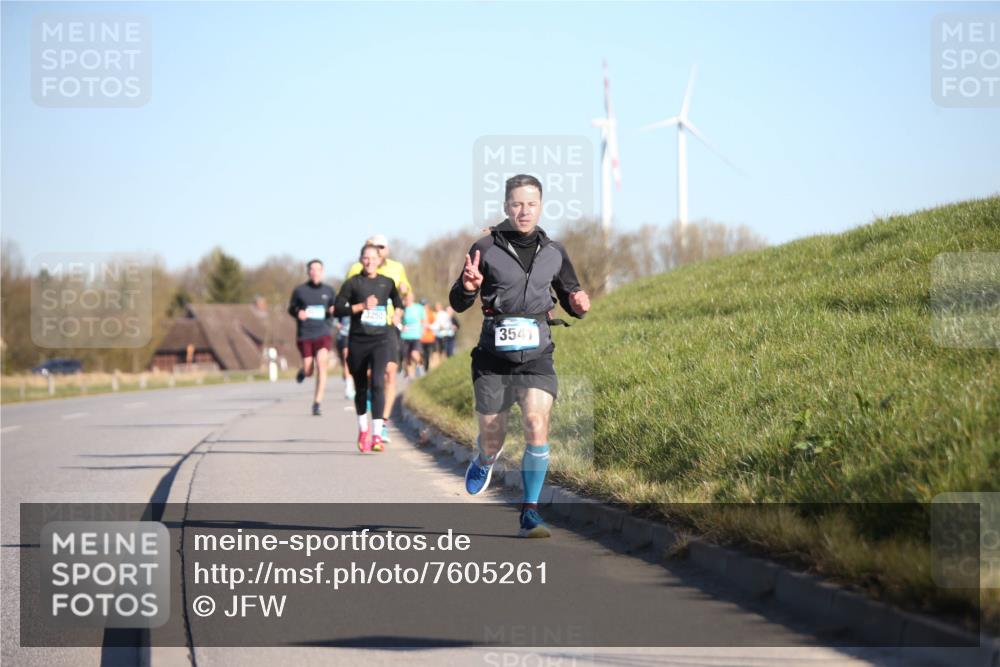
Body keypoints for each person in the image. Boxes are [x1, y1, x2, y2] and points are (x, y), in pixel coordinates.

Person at [449, 174, 590, 538]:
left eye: (530, 204)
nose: (523, 210)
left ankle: (530, 511)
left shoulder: (555, 251)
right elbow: (458, 301)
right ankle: (485, 457)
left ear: (541, 206)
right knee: (493, 436)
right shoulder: (484, 247)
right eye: (516, 204)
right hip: (493, 357)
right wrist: (467, 288)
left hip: (537, 353)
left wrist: (578, 304)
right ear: (506, 207)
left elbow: (571, 293)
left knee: (536, 424)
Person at [335, 243, 403, 453]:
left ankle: (376, 435)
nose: (370, 261)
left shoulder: (387, 282)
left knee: (378, 383)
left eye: (373, 258)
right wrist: (361, 306)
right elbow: (338, 308)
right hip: (358, 340)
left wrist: (397, 315)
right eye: (366, 258)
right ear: (360, 259)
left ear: (379, 260)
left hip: (381, 339)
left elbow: (398, 303)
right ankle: (363, 429)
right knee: (361, 387)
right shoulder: (352, 283)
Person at [287, 259, 337, 416]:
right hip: (305, 334)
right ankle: (304, 371)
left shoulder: (329, 290)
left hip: (323, 333)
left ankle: (317, 403)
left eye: (318, 269)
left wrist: (333, 310)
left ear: (323, 272)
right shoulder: (300, 291)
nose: (315, 272)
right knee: (309, 370)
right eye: (312, 269)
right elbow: (291, 308)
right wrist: (297, 313)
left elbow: (334, 308)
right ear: (308, 272)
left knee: (322, 363)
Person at [399, 293, 426, 379]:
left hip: (416, 335)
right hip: (405, 336)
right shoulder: (402, 309)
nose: (408, 300)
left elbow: (424, 320)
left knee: (414, 354)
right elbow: (397, 319)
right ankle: (409, 376)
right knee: (406, 357)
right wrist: (401, 326)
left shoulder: (418, 307)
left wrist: (423, 330)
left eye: (410, 298)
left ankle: (420, 365)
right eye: (407, 298)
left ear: (413, 298)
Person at [334, 315, 354, 400]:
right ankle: (349, 387)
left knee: (353, 363)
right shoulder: (340, 302)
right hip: (344, 336)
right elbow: (334, 319)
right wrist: (338, 325)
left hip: (359, 336)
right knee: (346, 360)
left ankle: (350, 382)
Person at [419, 299, 437, 373]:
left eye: (425, 305)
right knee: (421, 353)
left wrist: (429, 326)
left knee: (427, 354)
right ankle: (421, 367)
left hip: (429, 338)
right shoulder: (418, 313)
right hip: (420, 337)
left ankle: (426, 368)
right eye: (422, 305)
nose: (424, 307)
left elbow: (435, 324)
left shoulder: (430, 313)